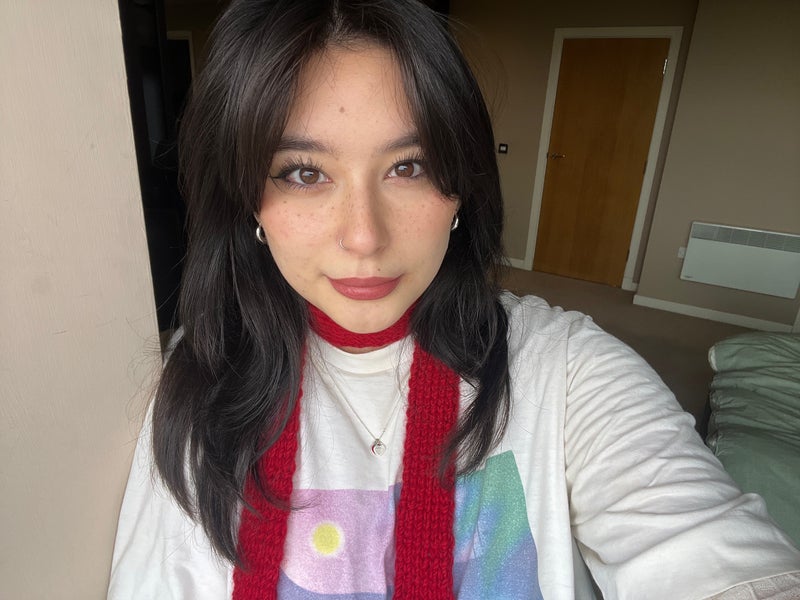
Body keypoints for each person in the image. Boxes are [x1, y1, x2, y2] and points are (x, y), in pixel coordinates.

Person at [107, 0, 800, 598]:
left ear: (461, 189)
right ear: (248, 200)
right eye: (304, 172)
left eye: (408, 166)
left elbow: (705, 547)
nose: (364, 237)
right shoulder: (199, 378)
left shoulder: (565, 368)